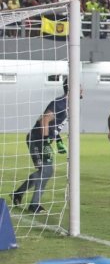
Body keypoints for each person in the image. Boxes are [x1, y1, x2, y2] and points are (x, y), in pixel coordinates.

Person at [12, 78, 71, 213]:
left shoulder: (67, 105)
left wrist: (58, 141)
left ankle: (18, 194)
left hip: (43, 140)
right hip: (37, 139)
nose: (82, 90)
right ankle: (34, 205)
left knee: (44, 171)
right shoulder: (60, 103)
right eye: (79, 87)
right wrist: (45, 141)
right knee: (46, 171)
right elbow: (44, 119)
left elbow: (53, 125)